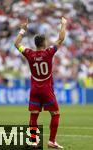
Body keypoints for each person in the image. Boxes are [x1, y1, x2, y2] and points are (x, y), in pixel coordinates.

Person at [14, 17, 67, 149]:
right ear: (44, 43)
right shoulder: (49, 52)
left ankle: (34, 141)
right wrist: (63, 25)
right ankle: (51, 141)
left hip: (34, 89)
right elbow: (61, 39)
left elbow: (16, 44)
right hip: (46, 89)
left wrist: (22, 30)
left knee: (34, 115)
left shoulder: (29, 53)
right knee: (55, 113)